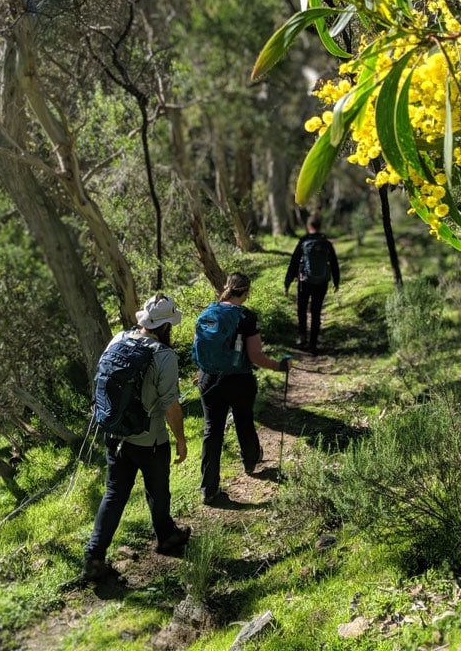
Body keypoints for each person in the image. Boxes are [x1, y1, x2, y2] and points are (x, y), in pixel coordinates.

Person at [83, 293, 191, 581]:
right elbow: (171, 404)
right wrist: (181, 439)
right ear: (167, 326)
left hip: (114, 433)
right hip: (149, 439)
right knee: (157, 489)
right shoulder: (164, 356)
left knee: (115, 493)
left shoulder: (118, 338)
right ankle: (166, 536)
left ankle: (94, 556)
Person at [196, 272, 292, 505]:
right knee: (243, 420)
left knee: (212, 431)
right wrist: (279, 366)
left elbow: (198, 348)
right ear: (246, 292)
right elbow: (255, 356)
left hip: (209, 379)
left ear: (227, 287)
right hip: (239, 380)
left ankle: (209, 488)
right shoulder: (246, 317)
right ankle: (250, 461)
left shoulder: (207, 312)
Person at [284, 214, 340, 353]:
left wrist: (287, 283)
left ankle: (302, 336)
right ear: (320, 226)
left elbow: (294, 263)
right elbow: (334, 263)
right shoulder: (326, 243)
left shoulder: (303, 242)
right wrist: (336, 281)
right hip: (322, 282)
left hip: (305, 281)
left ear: (308, 227)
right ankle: (313, 343)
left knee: (302, 309)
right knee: (316, 311)